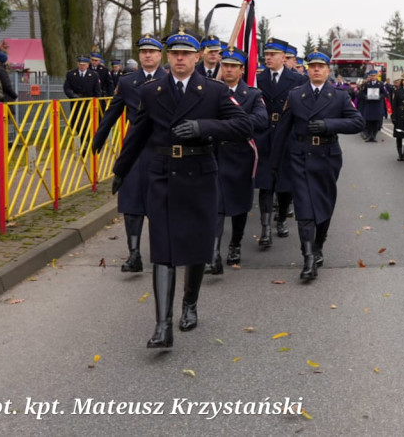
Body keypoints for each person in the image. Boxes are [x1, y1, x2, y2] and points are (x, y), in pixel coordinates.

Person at [112, 29, 251, 349]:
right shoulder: (152, 91)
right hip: (162, 175)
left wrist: (205, 128)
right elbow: (138, 134)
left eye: (186, 54)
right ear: (168, 56)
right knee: (162, 247)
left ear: (197, 57)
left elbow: (242, 125)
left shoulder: (214, 91)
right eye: (174, 53)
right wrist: (121, 170)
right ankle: (163, 326)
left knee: (198, 247)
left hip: (200, 175)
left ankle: (189, 304)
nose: (179, 58)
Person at [270, 51, 364, 282]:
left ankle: (319, 245)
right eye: (312, 66)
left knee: (324, 204)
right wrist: (273, 164)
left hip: (327, 156)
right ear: (308, 69)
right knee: (303, 206)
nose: (316, 70)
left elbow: (357, 122)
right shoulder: (295, 95)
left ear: (328, 70)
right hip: (300, 155)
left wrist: (328, 125)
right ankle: (308, 258)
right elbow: (283, 130)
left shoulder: (339, 96)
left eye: (321, 66)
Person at [92, 33, 167, 272]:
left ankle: (163, 251)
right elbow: (112, 113)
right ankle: (134, 254)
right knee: (131, 199)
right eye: (143, 51)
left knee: (161, 201)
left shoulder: (171, 79)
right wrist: (98, 139)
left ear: (159, 55)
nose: (147, 55)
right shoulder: (126, 82)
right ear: (139, 55)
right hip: (135, 149)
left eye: (152, 51)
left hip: (162, 147)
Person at [211, 46, 268, 272]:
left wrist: (232, 125)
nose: (228, 70)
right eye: (225, 65)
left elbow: (261, 120)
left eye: (233, 66)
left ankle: (235, 243)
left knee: (240, 205)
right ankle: (213, 251)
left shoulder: (253, 94)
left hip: (241, 155)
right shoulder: (211, 90)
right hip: (215, 153)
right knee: (216, 204)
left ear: (242, 70)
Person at [254, 37, 307, 247]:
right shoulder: (257, 78)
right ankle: (265, 228)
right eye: (266, 54)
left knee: (285, 184)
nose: (268, 58)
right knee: (266, 183)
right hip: (265, 134)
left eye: (272, 54)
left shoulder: (297, 79)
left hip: (287, 135)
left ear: (283, 57)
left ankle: (282, 219)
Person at [357, 70, 388, 142]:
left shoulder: (380, 84)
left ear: (376, 76)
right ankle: (370, 135)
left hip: (377, 105)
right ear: (370, 76)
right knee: (368, 122)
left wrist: (380, 97)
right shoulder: (366, 84)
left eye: (374, 76)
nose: (373, 77)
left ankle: (373, 135)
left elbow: (385, 93)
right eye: (371, 76)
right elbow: (361, 94)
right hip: (369, 105)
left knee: (376, 122)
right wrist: (365, 97)